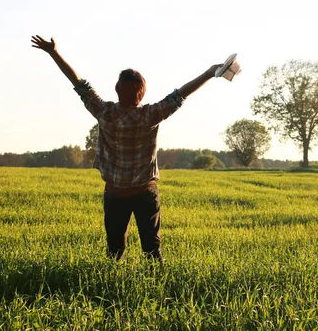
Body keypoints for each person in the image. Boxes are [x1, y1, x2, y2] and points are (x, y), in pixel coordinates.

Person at [31, 35, 222, 262]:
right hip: (145, 193)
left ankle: (112, 290)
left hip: (115, 193)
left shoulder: (105, 113)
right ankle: (157, 289)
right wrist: (210, 73)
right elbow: (181, 94)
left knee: (114, 250)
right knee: (152, 249)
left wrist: (54, 52)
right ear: (142, 93)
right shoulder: (150, 115)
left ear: (116, 89)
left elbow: (79, 84)